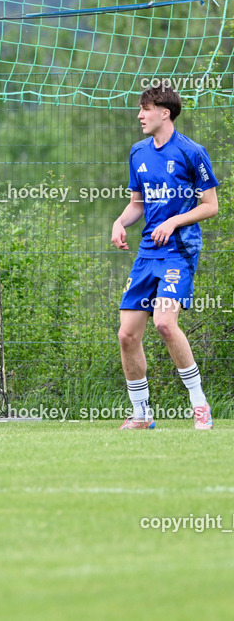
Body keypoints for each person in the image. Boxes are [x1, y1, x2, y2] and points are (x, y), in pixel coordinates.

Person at [110, 83, 218, 430]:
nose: (140, 115)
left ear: (164, 113)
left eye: (145, 108)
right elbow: (136, 205)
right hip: (147, 254)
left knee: (164, 323)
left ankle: (199, 405)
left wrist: (173, 221)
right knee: (127, 334)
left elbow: (210, 206)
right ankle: (141, 414)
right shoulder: (138, 152)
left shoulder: (191, 152)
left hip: (179, 253)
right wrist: (120, 222)